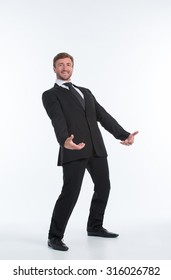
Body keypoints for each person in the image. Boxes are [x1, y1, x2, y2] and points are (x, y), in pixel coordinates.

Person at [42, 52, 138, 251]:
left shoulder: (85, 91)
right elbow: (57, 120)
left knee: (104, 187)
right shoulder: (50, 95)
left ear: (73, 67)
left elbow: (103, 116)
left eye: (68, 64)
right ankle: (54, 236)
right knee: (70, 193)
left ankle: (95, 226)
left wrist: (124, 135)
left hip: (96, 148)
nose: (65, 68)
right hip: (73, 148)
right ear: (54, 69)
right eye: (60, 65)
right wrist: (64, 141)